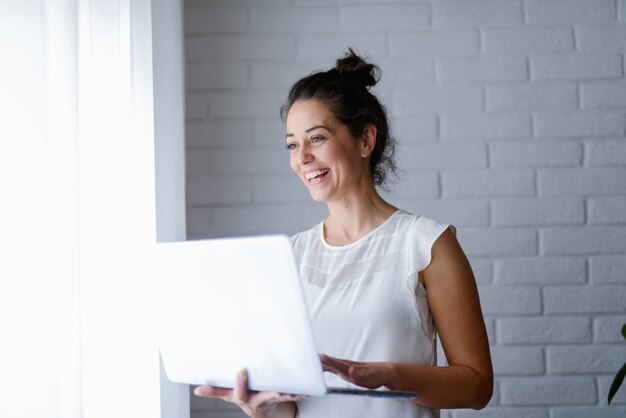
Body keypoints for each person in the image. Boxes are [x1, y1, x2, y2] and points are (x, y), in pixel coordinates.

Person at [194, 49, 493, 418]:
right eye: (292, 144)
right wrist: (258, 407)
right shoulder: (291, 256)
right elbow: (292, 404)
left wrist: (388, 375)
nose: (301, 157)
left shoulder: (427, 245)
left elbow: (477, 386)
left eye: (316, 138)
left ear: (366, 140)